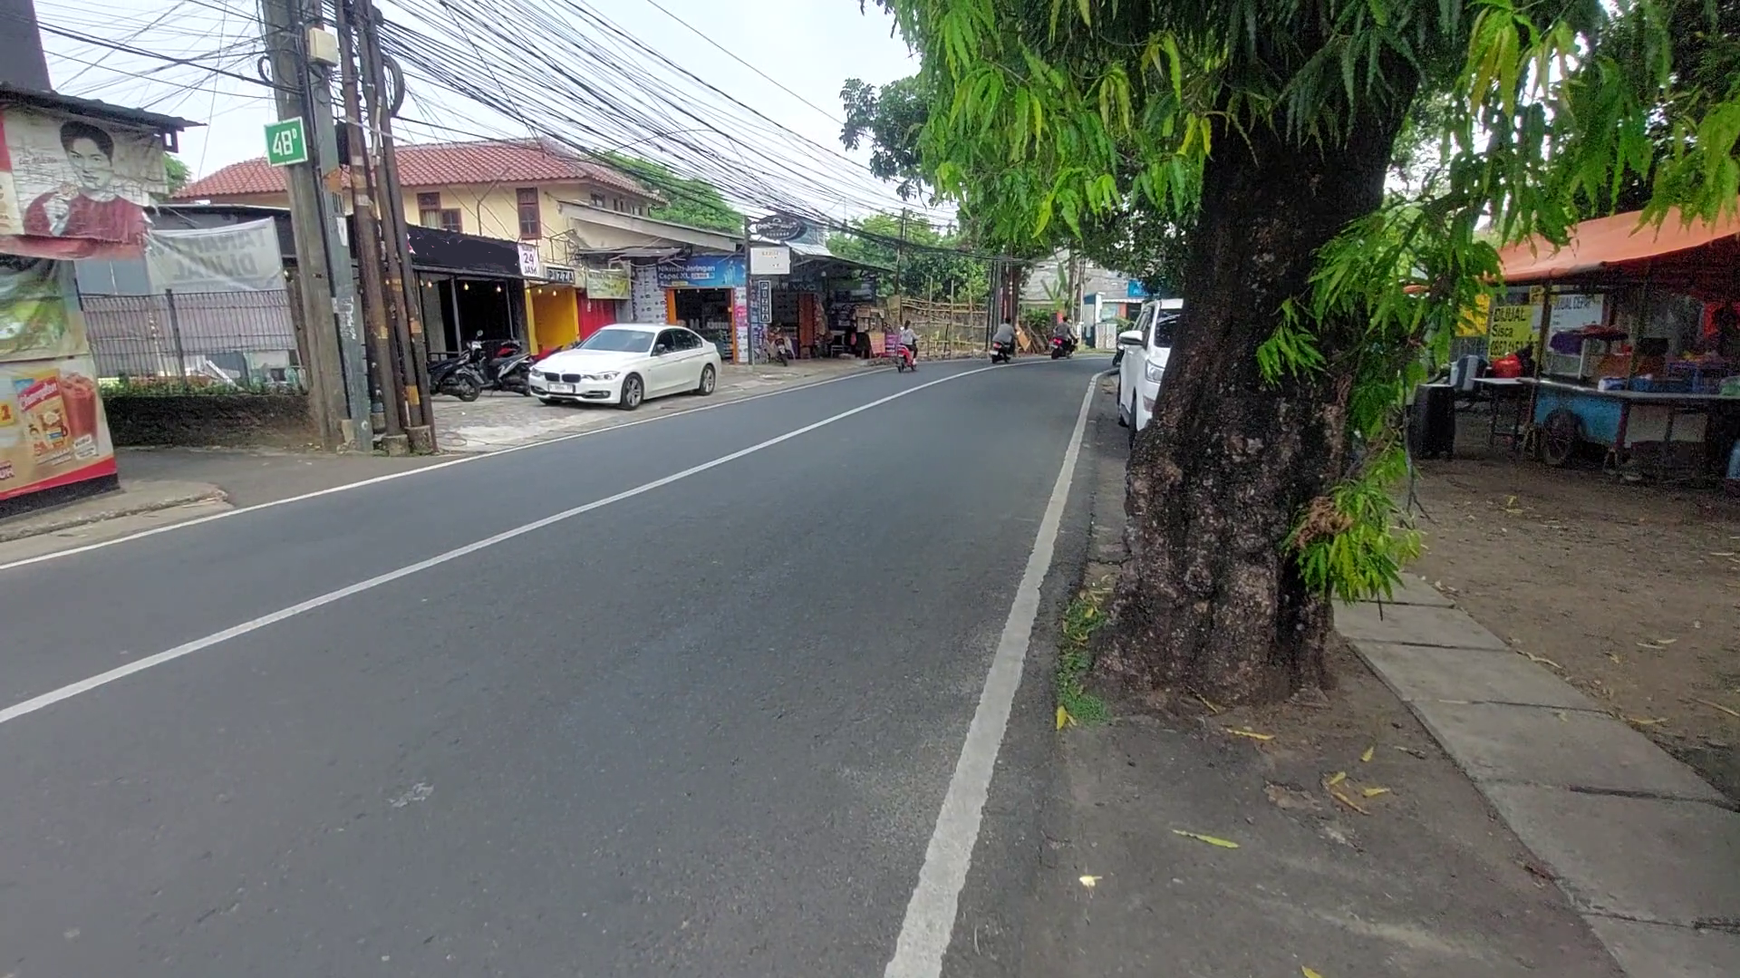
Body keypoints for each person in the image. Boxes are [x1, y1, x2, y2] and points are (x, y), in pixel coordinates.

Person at [23, 121, 148, 247]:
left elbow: (141, 249)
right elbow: (30, 248)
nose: (86, 167)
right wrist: (56, 226)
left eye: (96, 159)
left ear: (112, 161)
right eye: (77, 157)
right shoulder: (47, 203)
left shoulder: (131, 210)